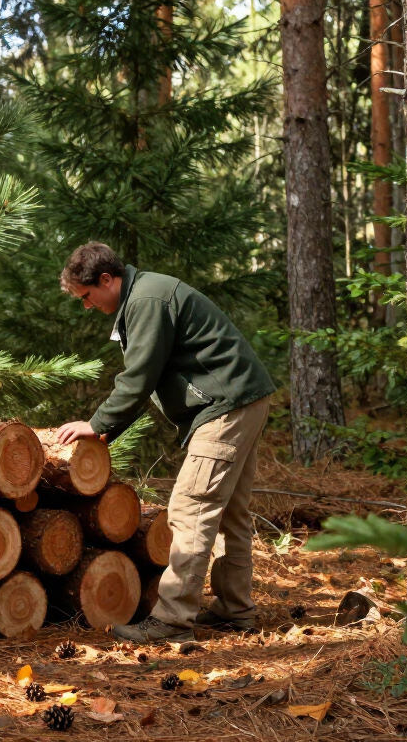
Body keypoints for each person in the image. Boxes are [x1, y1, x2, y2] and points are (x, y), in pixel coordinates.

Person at [54, 243, 275, 644]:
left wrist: (97, 423)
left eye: (87, 296)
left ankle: (172, 620)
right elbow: (150, 378)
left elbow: (139, 378)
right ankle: (234, 609)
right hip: (242, 398)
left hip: (226, 405)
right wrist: (106, 431)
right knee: (229, 514)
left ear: (107, 280)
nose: (87, 306)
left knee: (191, 507)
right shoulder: (144, 295)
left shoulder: (148, 300)